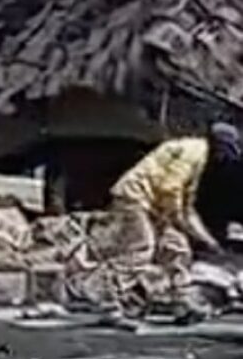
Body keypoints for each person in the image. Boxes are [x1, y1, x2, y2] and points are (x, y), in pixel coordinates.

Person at [99, 122, 242, 315]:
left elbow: (187, 207)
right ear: (219, 145)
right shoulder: (193, 151)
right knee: (141, 248)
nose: (224, 158)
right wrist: (176, 218)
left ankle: (181, 301)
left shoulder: (200, 160)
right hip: (133, 198)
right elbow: (170, 188)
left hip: (155, 206)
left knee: (177, 247)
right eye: (226, 152)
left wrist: (207, 241)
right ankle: (111, 304)